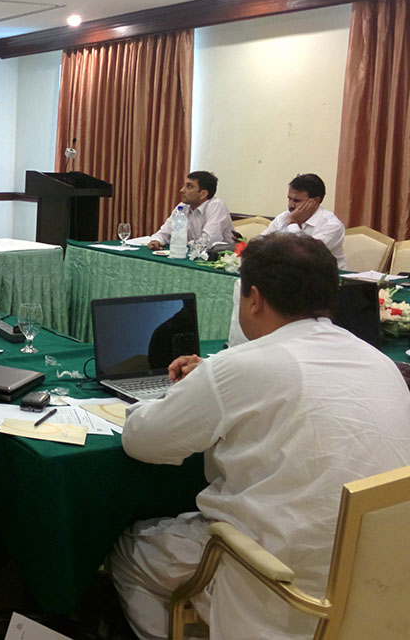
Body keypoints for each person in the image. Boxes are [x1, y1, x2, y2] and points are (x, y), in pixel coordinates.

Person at [110, 233, 410, 640]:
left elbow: (142, 440)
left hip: (283, 589)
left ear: (254, 299)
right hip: (383, 588)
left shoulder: (240, 366)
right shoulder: (379, 362)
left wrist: (181, 393)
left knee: (128, 551)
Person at [262, 172, 347, 269]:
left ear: (315, 201)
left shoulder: (332, 225)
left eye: (297, 201)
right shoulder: (283, 217)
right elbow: (260, 243)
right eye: (289, 199)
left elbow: (305, 256)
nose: (291, 205)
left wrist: (293, 223)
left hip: (323, 275)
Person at [147, 171, 233, 251]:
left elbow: (209, 241)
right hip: (192, 253)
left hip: (222, 257)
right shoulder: (182, 207)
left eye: (189, 187)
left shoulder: (216, 205)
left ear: (203, 194)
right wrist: (156, 240)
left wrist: (182, 243)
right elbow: (165, 232)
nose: (182, 190)